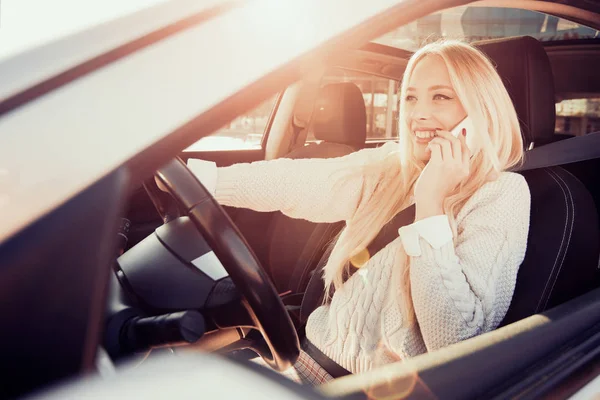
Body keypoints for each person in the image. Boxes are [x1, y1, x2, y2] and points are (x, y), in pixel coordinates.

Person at [166, 40, 531, 385]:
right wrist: (207, 181)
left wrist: (431, 202)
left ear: (479, 110)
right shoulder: (391, 166)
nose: (418, 114)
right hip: (302, 359)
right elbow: (303, 181)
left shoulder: (502, 194)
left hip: (362, 388)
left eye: (441, 97)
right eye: (411, 98)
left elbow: (453, 339)